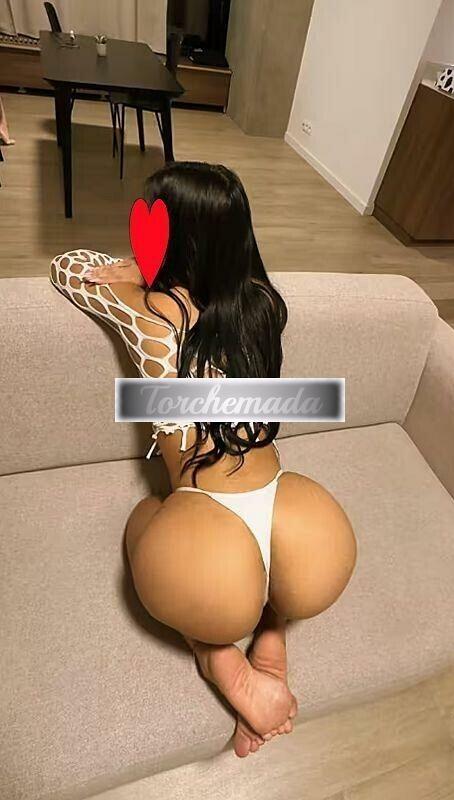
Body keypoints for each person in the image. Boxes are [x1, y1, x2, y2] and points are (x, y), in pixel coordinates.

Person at [49, 161, 357, 758]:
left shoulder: (150, 310)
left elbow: (67, 267)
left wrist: (137, 269)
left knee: (146, 514)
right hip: (301, 518)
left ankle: (220, 659)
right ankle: (273, 630)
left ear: (170, 237)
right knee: (275, 578)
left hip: (206, 532)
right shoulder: (263, 305)